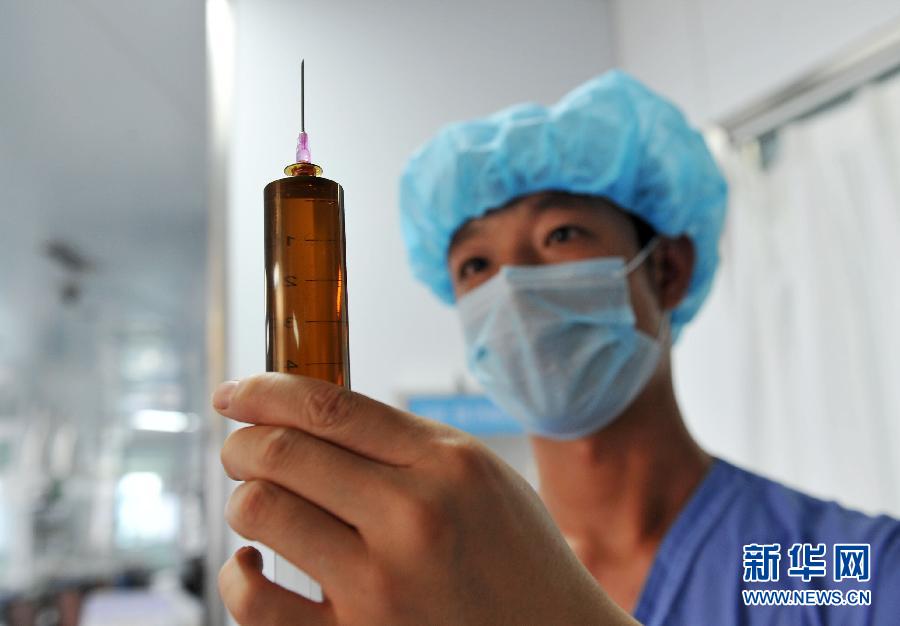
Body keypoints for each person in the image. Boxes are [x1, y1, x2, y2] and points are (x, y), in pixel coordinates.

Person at [214, 70, 900, 625]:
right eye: (476, 268)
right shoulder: (413, 578)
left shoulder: (815, 568)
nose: (513, 290)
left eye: (561, 236)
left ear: (667, 270)